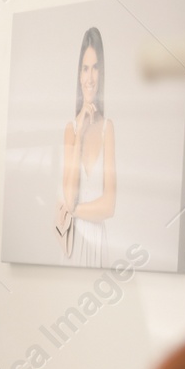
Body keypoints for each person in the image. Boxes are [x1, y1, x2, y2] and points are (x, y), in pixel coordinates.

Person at [55, 26, 116, 267]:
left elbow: (109, 206)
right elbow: (69, 196)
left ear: (101, 74)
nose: (90, 77)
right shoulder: (70, 130)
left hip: (98, 245)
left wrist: (74, 211)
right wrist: (79, 134)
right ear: (79, 75)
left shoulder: (107, 128)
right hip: (73, 246)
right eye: (85, 68)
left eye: (95, 68)